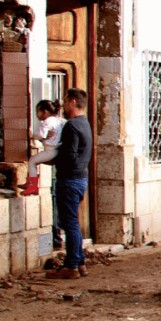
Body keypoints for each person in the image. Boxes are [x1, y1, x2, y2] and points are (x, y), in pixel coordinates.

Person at [46, 89, 91, 279]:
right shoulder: (85, 123)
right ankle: (79, 263)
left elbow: (69, 156)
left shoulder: (72, 126)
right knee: (74, 223)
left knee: (70, 224)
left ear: (73, 102)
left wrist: (50, 157)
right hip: (80, 179)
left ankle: (71, 266)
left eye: (65, 101)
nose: (63, 106)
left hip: (70, 179)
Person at [20, 99, 63, 196]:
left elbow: (40, 134)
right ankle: (30, 182)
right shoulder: (59, 120)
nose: (36, 114)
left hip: (51, 150)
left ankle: (32, 186)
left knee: (32, 161)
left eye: (37, 112)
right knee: (35, 161)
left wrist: (32, 135)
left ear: (45, 112)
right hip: (57, 149)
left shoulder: (47, 122)